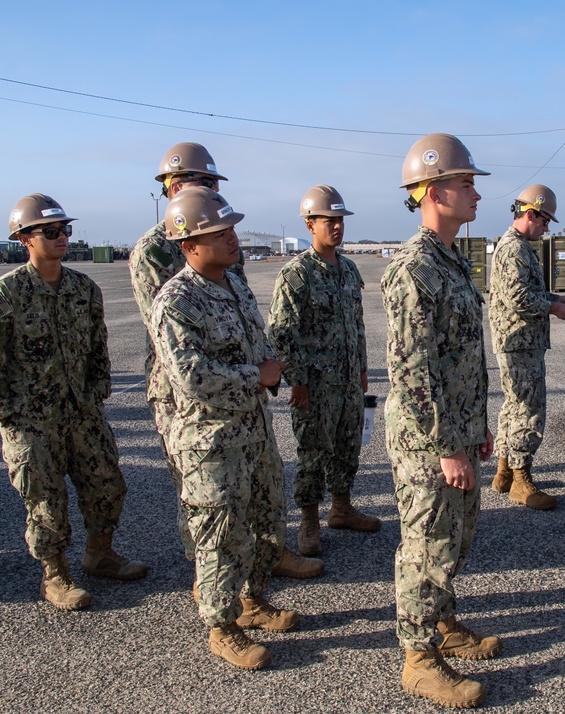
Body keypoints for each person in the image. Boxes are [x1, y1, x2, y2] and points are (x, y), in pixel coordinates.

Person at [130, 141, 321, 581]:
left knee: (258, 483)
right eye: (208, 183)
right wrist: (252, 375)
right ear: (176, 186)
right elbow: (175, 340)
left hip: (242, 386)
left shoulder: (219, 239)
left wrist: (262, 366)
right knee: (205, 491)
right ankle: (209, 575)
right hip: (185, 393)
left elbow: (239, 310)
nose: (216, 192)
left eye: (216, 184)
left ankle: (264, 560)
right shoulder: (157, 251)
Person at [0, 194, 147, 610]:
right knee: (45, 500)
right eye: (50, 231)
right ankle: (54, 574)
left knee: (108, 485)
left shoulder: (84, 288)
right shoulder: (3, 295)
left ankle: (100, 554)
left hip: (82, 412)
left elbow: (98, 347)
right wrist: (5, 417)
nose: (62, 237)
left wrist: (98, 389)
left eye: (65, 229)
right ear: (24, 239)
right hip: (32, 420)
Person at [150, 186, 297, 670]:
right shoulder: (176, 300)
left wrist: (270, 363)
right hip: (209, 442)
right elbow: (191, 376)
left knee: (266, 518)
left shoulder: (233, 285)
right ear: (189, 245)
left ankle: (252, 601)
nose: (233, 237)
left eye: (231, 228)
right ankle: (221, 625)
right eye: (220, 232)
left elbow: (255, 343)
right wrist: (259, 376)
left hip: (253, 432)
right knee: (219, 531)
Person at [382, 133, 500, 709]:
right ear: (431, 191)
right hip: (427, 440)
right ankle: (419, 658)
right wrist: (445, 446)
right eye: (465, 182)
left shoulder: (451, 260)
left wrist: (475, 427)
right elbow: (412, 370)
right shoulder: (414, 268)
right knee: (426, 544)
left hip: (455, 431)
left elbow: (459, 356)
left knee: (456, 536)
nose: (475, 193)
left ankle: (445, 622)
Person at [268, 185, 378, 559]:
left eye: (340, 220)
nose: (336, 226)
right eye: (328, 220)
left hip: (347, 380)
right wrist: (296, 380)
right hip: (314, 384)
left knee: (348, 446)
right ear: (309, 224)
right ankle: (309, 519)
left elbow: (357, 324)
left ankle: (342, 508)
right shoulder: (296, 274)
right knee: (313, 451)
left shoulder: (347, 269)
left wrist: (361, 368)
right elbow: (281, 332)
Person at [489, 184, 565, 510]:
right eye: (544, 220)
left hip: (518, 342)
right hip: (520, 343)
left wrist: (557, 299)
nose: (547, 227)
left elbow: (525, 292)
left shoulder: (517, 247)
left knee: (512, 407)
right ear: (530, 214)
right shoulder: (515, 250)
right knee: (528, 409)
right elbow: (520, 299)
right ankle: (521, 481)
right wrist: (555, 309)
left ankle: (504, 472)